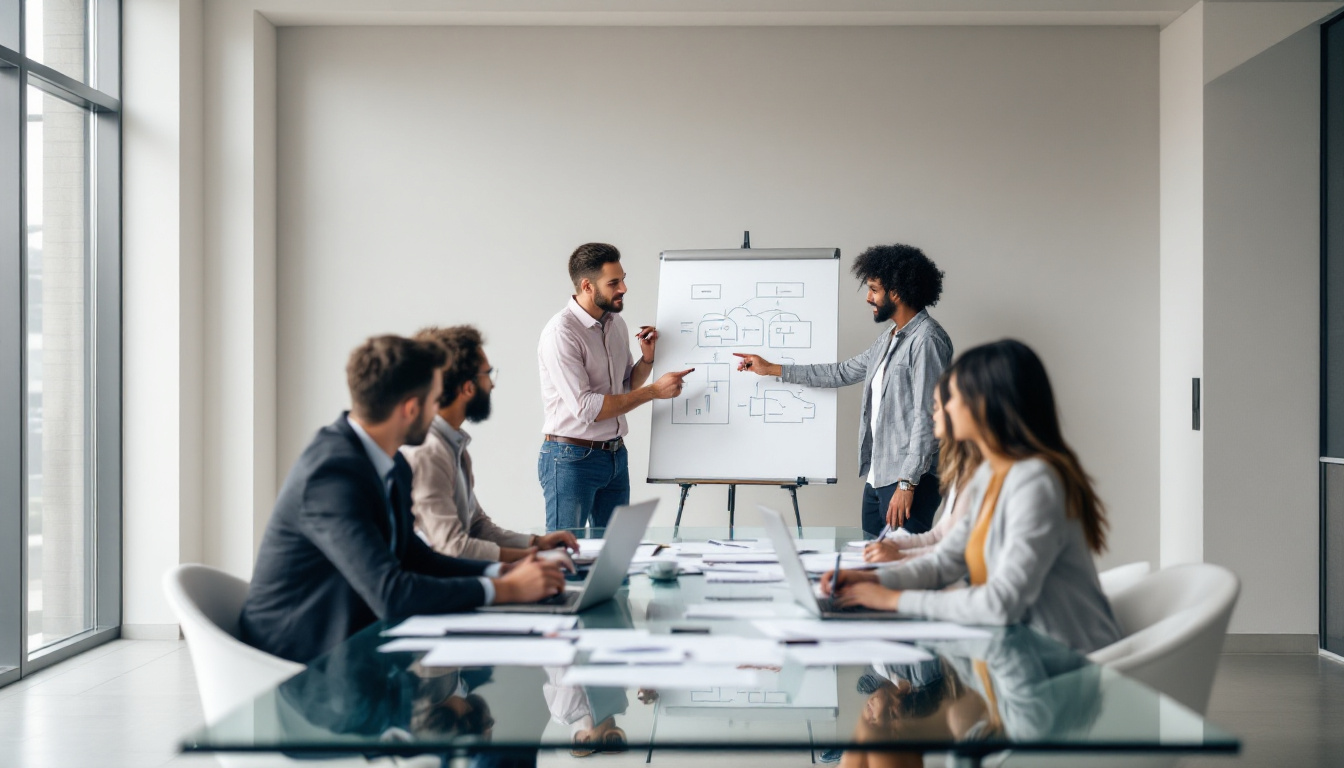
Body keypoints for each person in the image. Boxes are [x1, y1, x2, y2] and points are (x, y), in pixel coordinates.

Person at [240, 335, 567, 664]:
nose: (439, 410)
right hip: (295, 663)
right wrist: (506, 590)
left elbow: (414, 557)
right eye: (435, 400)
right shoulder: (330, 475)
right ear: (411, 408)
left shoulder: (391, 461)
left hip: (353, 647)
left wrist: (502, 570)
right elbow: (390, 593)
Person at [822, 339, 1121, 655]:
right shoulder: (988, 476)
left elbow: (1001, 603)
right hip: (1014, 654)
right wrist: (874, 582)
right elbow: (944, 562)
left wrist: (893, 600)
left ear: (984, 404)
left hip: (1065, 664)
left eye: (952, 398)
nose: (941, 407)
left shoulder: (1036, 482)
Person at [735, 244, 952, 536]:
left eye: (874, 289)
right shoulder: (889, 339)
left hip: (909, 480)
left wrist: (907, 484)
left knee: (901, 562)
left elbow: (929, 418)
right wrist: (771, 368)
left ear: (897, 292)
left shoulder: (927, 341)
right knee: (869, 560)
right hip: (879, 477)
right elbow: (841, 372)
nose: (868, 297)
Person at [537, 242, 692, 530]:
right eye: (613, 283)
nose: (623, 288)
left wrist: (647, 359)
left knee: (613, 550)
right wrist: (654, 391)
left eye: (623, 279)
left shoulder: (615, 323)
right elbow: (588, 409)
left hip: (615, 456)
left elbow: (625, 385)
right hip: (571, 459)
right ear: (587, 286)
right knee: (564, 551)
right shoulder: (561, 334)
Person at [403, 325, 580, 560]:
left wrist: (536, 543)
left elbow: (477, 525)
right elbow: (452, 548)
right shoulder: (429, 452)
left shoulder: (454, 445)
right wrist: (531, 559)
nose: (493, 384)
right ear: (468, 388)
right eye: (488, 374)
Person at [863, 373, 981, 563]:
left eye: (938, 406)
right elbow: (939, 536)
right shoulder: (963, 471)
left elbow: (956, 556)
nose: (932, 415)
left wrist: (900, 556)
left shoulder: (992, 477)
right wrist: (892, 547)